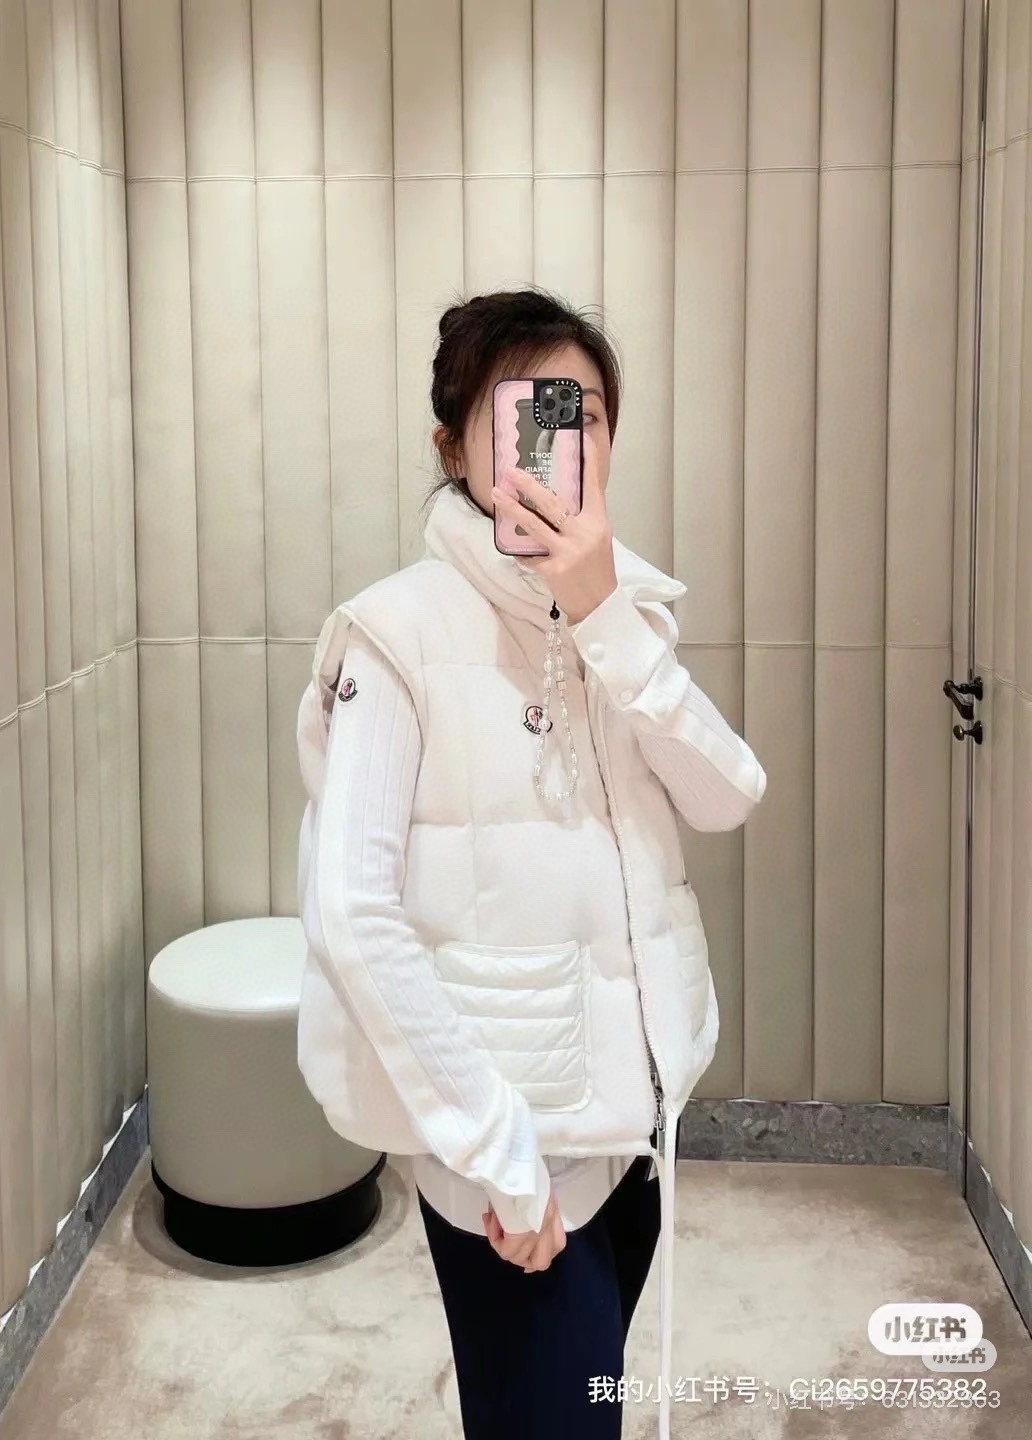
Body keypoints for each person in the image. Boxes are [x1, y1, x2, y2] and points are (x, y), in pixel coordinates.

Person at [295, 287, 767, 1440]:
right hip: (511, 1157)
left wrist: (604, 618)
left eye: (585, 414)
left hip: (628, 1130)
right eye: (530, 413)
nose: (564, 440)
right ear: (455, 446)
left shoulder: (624, 615)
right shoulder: (394, 634)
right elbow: (352, 910)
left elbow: (726, 794)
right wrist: (497, 1154)